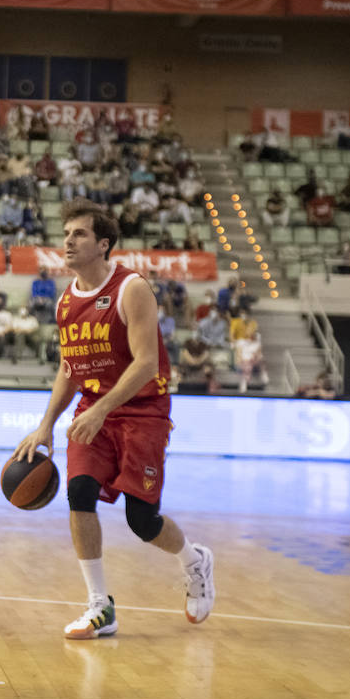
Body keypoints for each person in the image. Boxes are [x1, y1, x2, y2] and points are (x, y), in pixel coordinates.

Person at [14, 199, 215, 639]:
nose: (68, 240)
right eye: (66, 233)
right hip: (92, 411)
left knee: (142, 520)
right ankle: (99, 605)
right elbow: (70, 367)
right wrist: (47, 422)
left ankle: (194, 561)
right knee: (79, 493)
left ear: (104, 245)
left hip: (142, 411)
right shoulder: (66, 302)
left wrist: (103, 408)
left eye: (79, 234)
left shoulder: (132, 289)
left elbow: (146, 363)